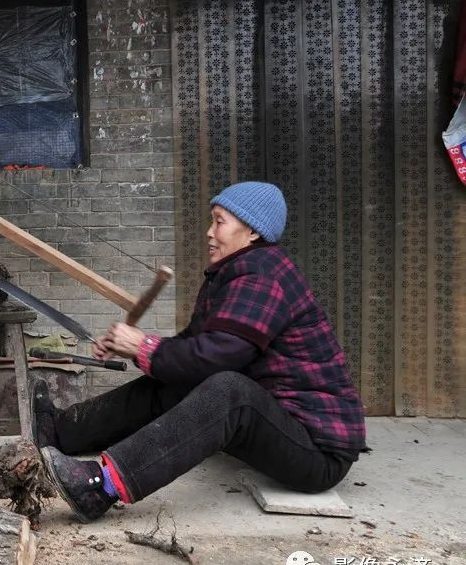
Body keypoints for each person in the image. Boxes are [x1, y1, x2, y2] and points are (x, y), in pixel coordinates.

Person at [35, 181, 366, 522]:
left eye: (219, 221)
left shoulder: (264, 277)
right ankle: (61, 432)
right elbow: (189, 351)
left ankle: (99, 487)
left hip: (317, 451)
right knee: (175, 382)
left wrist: (144, 346)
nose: (209, 232)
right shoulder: (236, 274)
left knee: (230, 392)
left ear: (251, 231)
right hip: (281, 423)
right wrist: (137, 347)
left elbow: (217, 357)